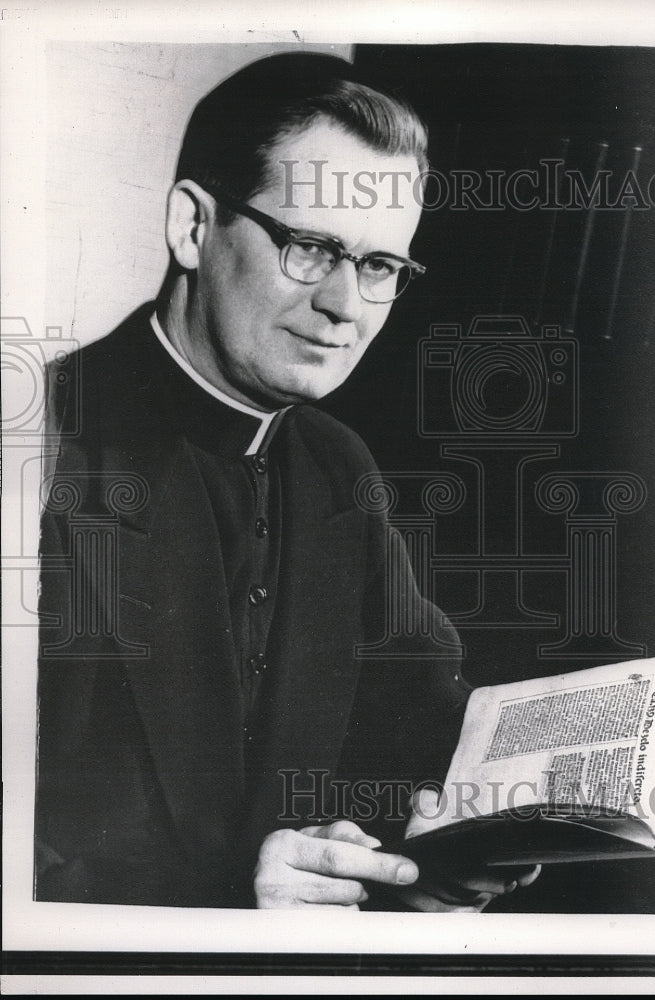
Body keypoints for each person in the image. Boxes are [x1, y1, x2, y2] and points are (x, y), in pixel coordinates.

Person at [35, 51, 539, 911]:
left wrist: (431, 854)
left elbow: (421, 731)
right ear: (194, 227)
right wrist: (227, 906)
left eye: (380, 266)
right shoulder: (37, 450)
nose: (346, 304)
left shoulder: (339, 465)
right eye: (312, 247)